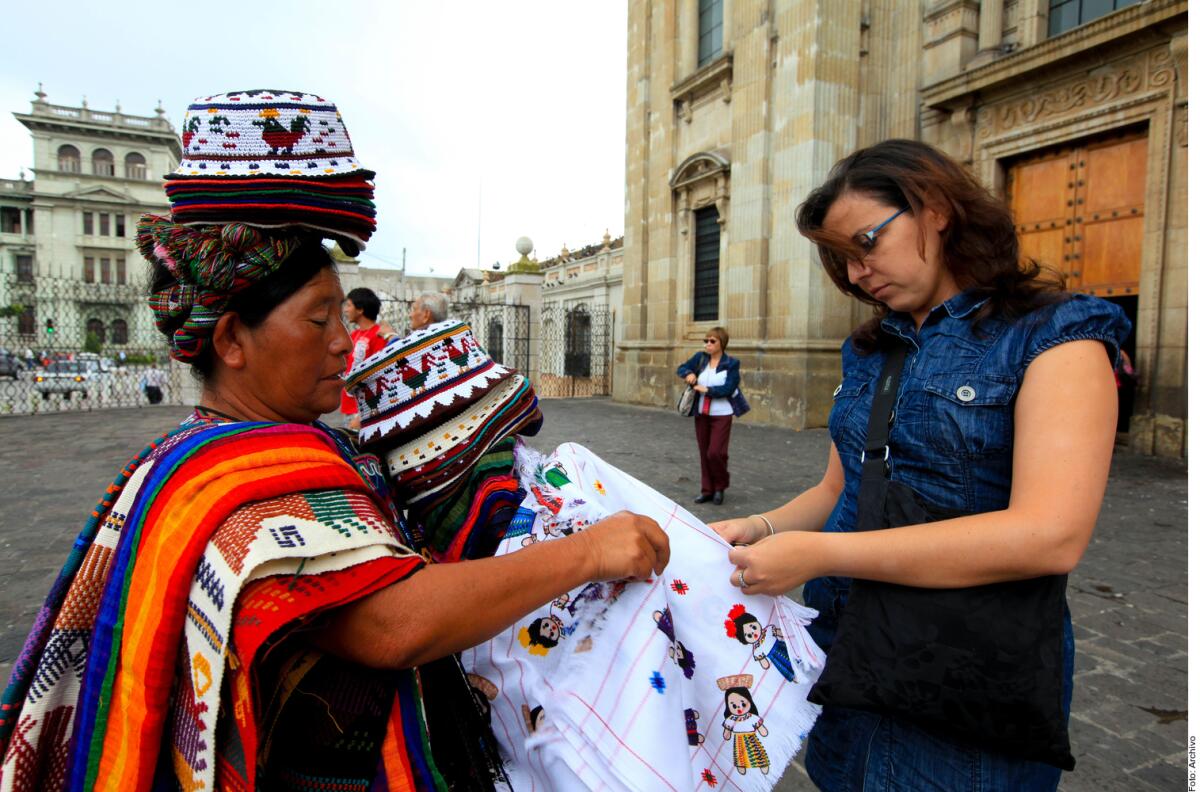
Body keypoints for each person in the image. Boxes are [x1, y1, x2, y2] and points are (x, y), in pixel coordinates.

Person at [0, 89, 668, 792]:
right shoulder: (243, 477)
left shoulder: (256, 451)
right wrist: (589, 551)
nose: (345, 342)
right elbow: (392, 623)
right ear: (231, 340)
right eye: (319, 320)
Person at [712, 139, 1129, 790]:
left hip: (962, 677)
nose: (855, 275)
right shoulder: (870, 350)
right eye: (841, 260)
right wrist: (760, 528)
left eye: (865, 244)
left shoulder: (1055, 335)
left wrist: (820, 556)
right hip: (848, 656)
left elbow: (1050, 536)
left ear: (934, 208)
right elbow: (838, 487)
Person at [676, 327, 750, 505]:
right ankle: (707, 490)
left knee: (715, 452)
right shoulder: (700, 359)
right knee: (704, 452)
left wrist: (708, 390)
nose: (708, 344)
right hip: (701, 413)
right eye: (706, 340)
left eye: (712, 341)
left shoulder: (731, 363)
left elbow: (729, 388)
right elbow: (681, 368)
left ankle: (720, 486)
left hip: (721, 414)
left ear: (721, 343)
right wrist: (689, 373)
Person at [339, 286, 394, 430]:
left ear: (360, 309)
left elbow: (379, 376)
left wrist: (362, 415)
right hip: (348, 407)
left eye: (349, 305)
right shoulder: (353, 335)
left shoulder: (379, 335)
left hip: (364, 412)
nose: (345, 310)